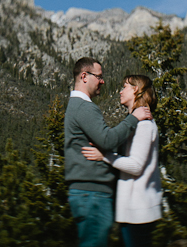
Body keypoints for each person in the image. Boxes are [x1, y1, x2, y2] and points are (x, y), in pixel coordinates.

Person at [65, 57, 152, 247]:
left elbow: (105, 142)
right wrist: (133, 119)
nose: (103, 81)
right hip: (92, 194)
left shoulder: (77, 107)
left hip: (88, 194)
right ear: (84, 76)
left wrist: (105, 152)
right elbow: (108, 140)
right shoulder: (84, 108)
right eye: (99, 76)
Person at [81, 75, 162, 247]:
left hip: (138, 212)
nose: (120, 91)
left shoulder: (144, 125)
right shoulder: (138, 123)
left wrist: (104, 156)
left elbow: (135, 166)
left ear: (136, 90)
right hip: (132, 211)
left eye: (125, 86)